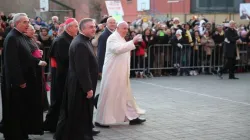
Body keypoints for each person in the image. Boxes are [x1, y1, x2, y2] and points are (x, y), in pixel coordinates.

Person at [1, 13, 47, 140]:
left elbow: (26, 55)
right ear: (17, 23)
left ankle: (22, 134)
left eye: (28, 22)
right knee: (15, 110)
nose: (28, 25)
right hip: (17, 82)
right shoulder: (12, 38)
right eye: (25, 22)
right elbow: (12, 63)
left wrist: (37, 59)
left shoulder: (21, 36)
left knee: (22, 110)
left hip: (25, 80)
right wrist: (19, 81)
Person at [95, 21, 146, 128]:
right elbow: (117, 49)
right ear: (118, 28)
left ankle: (132, 117)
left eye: (127, 28)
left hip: (121, 72)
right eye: (124, 28)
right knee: (109, 96)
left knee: (125, 95)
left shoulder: (120, 38)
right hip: (112, 72)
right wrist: (133, 41)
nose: (126, 30)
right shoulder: (113, 38)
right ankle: (101, 120)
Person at [54, 18, 98, 140]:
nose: (94, 29)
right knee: (79, 113)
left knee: (80, 113)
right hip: (80, 86)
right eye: (90, 27)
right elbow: (82, 69)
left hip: (80, 84)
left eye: (94, 26)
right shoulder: (80, 43)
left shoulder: (84, 41)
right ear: (82, 29)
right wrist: (88, 88)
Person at [44, 18, 78, 133]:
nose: (77, 29)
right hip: (62, 76)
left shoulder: (67, 39)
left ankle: (54, 124)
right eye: (76, 26)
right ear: (69, 28)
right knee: (58, 101)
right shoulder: (62, 40)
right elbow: (65, 59)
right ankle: (53, 125)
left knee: (60, 101)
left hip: (64, 75)